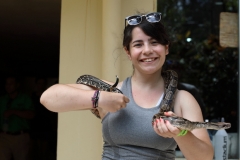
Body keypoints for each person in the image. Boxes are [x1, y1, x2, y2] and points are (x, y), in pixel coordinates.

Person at [40, 12, 214, 159]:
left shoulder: (182, 99)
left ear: (166, 48)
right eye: (138, 44)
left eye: (154, 42)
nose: (147, 50)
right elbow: (48, 98)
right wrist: (99, 98)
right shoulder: (110, 92)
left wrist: (180, 133)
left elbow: (205, 156)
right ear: (128, 52)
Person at [0, 76, 35, 160]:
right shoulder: (2, 99)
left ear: (17, 85)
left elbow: (31, 115)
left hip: (20, 136)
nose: (8, 86)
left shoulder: (25, 98)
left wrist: (13, 111)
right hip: (3, 136)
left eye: (11, 83)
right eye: (6, 84)